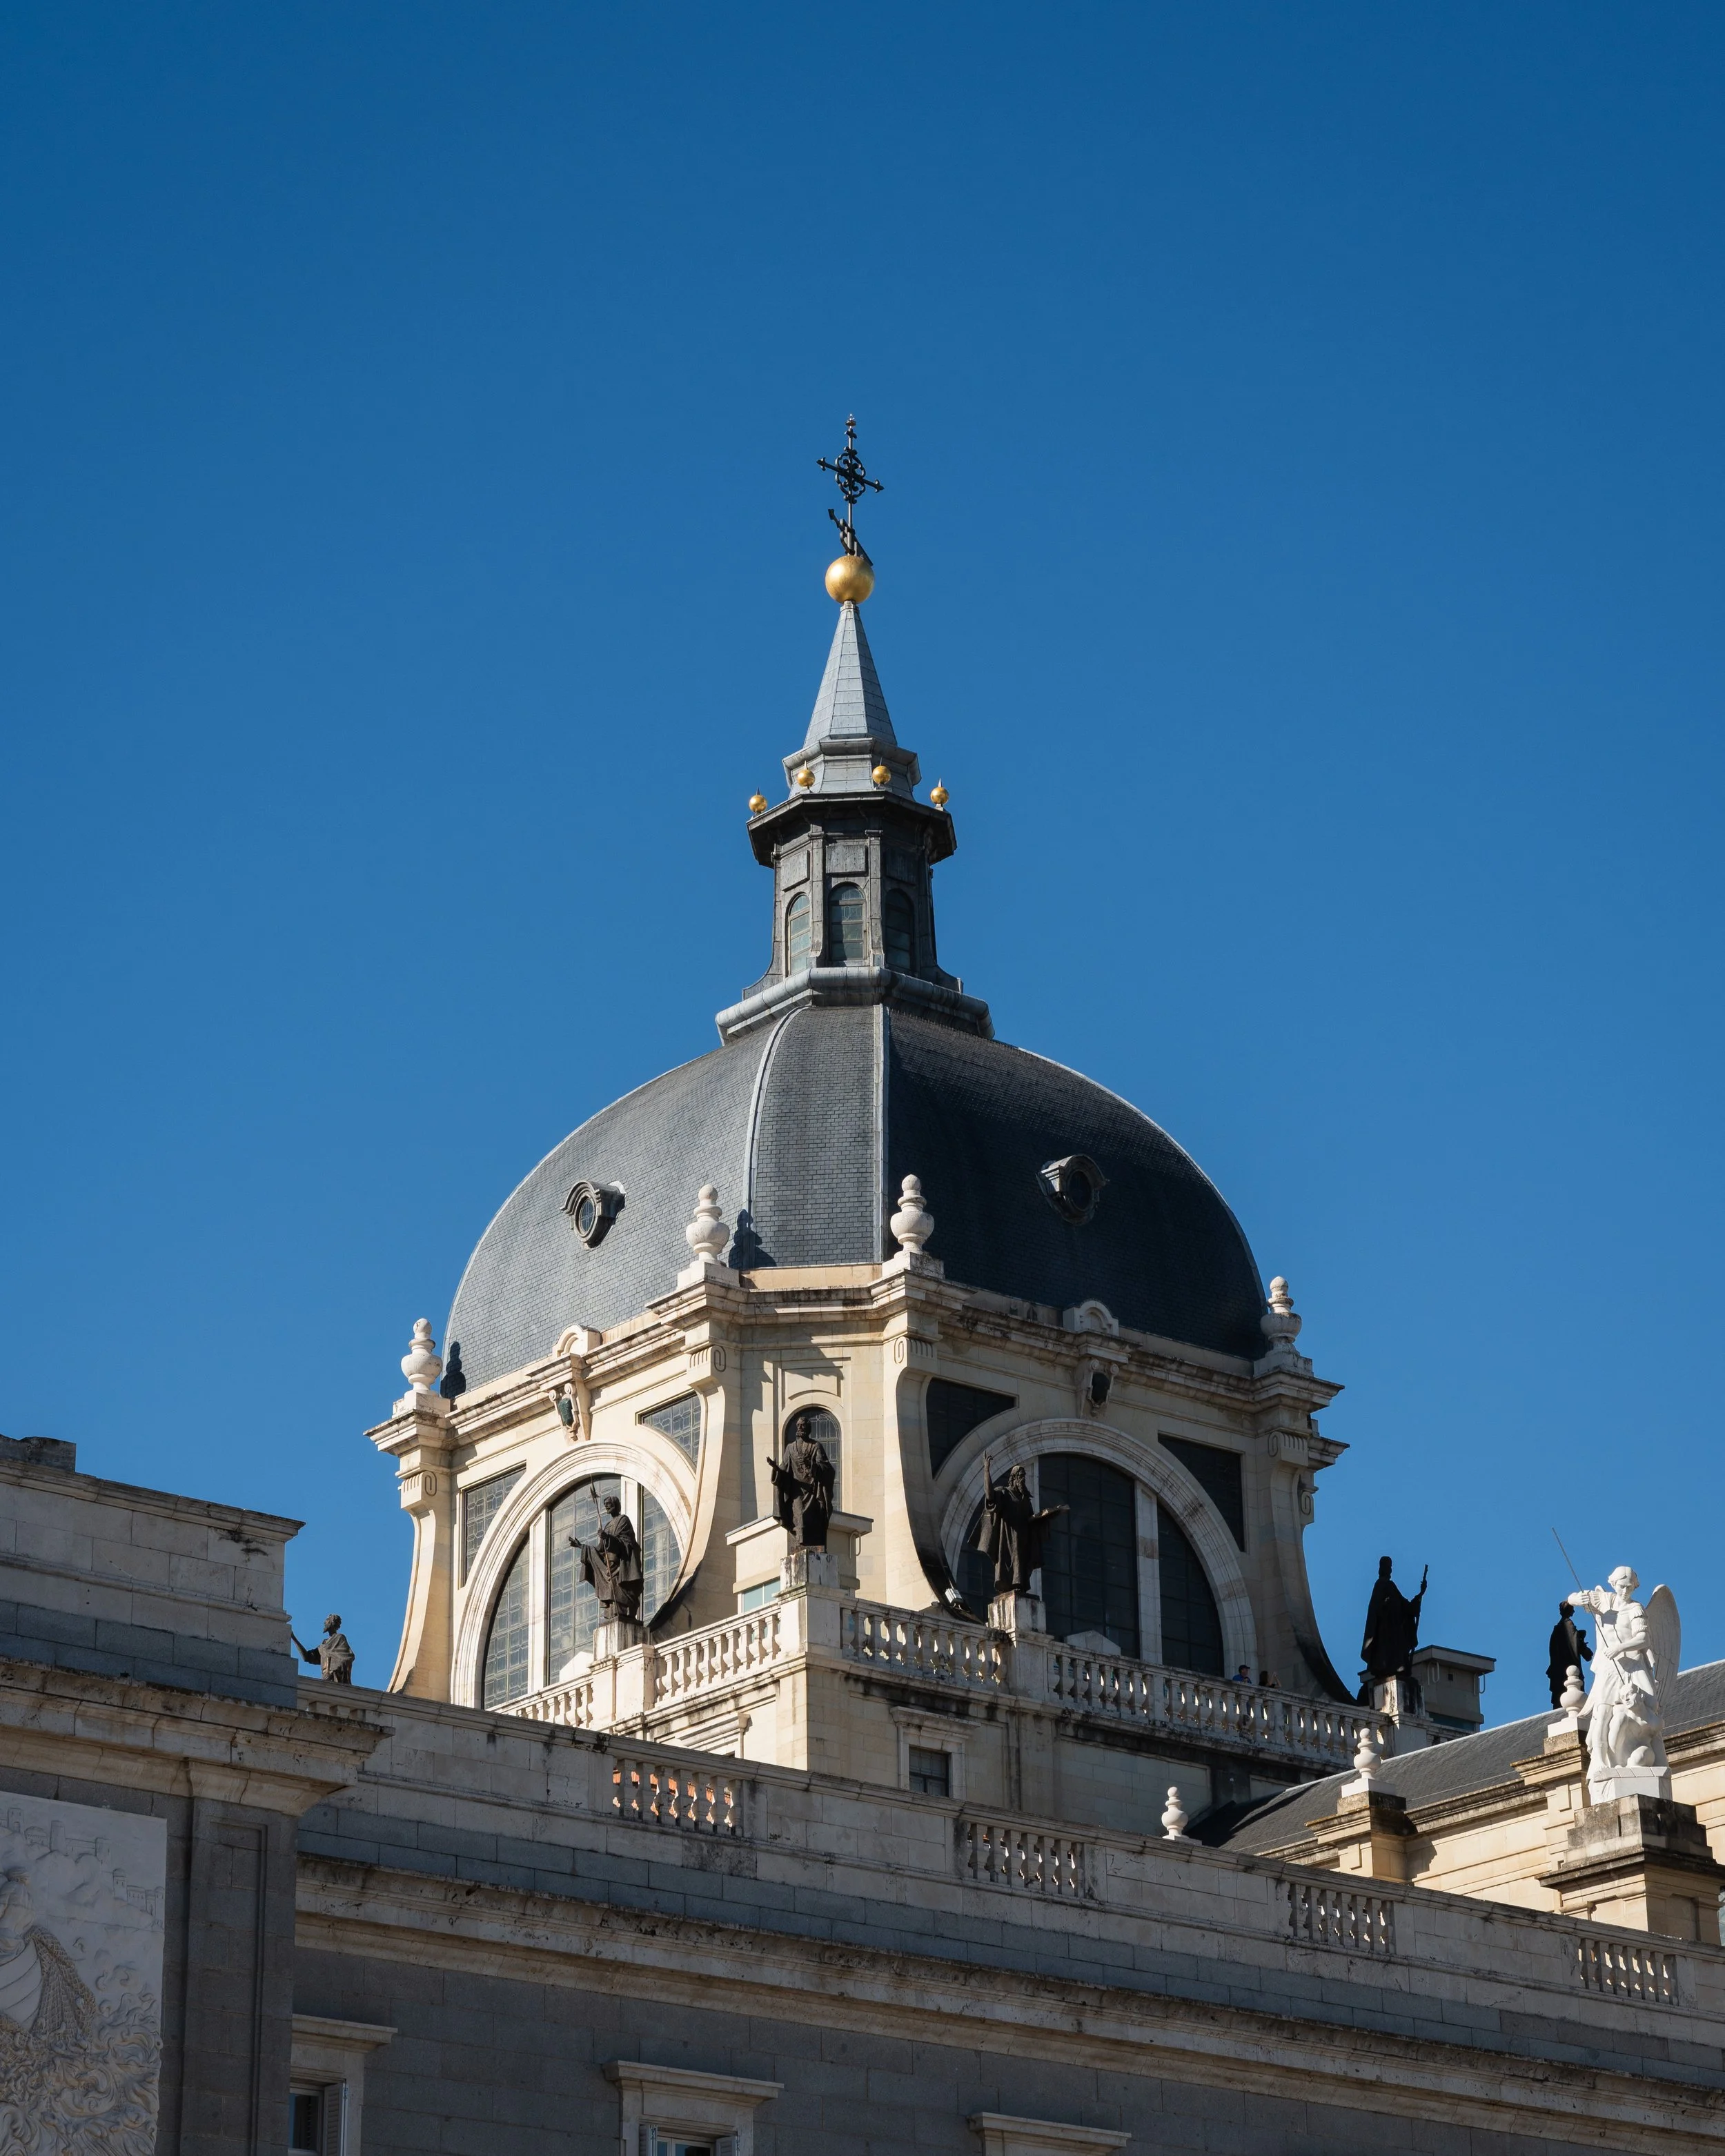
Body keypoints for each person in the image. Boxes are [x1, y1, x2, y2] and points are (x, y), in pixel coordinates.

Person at [976, 1457, 1066, 1596]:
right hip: (1008, 1539)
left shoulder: (1025, 1500)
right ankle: (1010, 1586)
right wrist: (987, 1471)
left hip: (1023, 1540)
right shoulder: (1004, 1493)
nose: (1023, 1480)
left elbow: (1030, 1519)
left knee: (1023, 1566)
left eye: (1024, 1477)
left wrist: (1049, 1514)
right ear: (1013, 1478)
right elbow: (990, 1497)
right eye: (1021, 1476)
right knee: (1010, 1566)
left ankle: (1020, 1587)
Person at [1358, 1556, 1426, 1703]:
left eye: (1390, 1567)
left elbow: (1406, 1607)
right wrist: (1386, 1605)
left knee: (1399, 1659)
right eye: (1386, 1567)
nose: (1388, 1570)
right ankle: (1387, 1671)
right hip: (1384, 1634)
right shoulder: (1380, 1585)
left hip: (1395, 1633)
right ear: (1380, 1569)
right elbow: (1375, 1609)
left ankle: (1397, 1671)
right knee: (1388, 1657)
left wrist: (1420, 1595)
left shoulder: (1392, 1586)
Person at [767, 1412, 837, 1551]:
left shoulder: (816, 1446)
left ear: (808, 1428)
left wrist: (811, 1465)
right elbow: (784, 1470)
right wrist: (775, 1469)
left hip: (813, 1492)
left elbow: (827, 1469)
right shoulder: (790, 1448)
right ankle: (801, 1545)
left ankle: (815, 1546)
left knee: (814, 1521)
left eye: (803, 1425)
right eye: (798, 1425)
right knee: (800, 1519)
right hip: (797, 1492)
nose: (800, 1427)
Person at [571, 1494, 644, 1623]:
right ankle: (613, 1614)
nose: (607, 1507)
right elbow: (600, 1549)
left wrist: (608, 1538)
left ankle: (624, 1613)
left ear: (615, 1505)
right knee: (611, 1591)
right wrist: (581, 1546)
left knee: (620, 1589)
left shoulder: (623, 1520)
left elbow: (627, 1542)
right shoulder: (608, 1525)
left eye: (609, 1504)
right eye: (605, 1505)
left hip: (620, 1565)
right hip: (608, 1565)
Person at [1546, 1601, 1593, 1708]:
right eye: (1573, 1609)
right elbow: (1575, 1642)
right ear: (1569, 1611)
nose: (1574, 1611)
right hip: (1568, 1667)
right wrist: (1585, 1649)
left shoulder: (1557, 1629)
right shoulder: (1568, 1625)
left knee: (1561, 1695)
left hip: (1560, 1670)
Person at [292, 1614, 354, 1683]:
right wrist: (294, 1638)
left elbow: (347, 1657)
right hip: (326, 1677)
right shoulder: (324, 1644)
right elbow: (307, 1657)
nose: (325, 1622)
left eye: (327, 1620)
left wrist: (335, 1668)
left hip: (335, 1676)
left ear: (332, 1622)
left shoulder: (340, 1638)